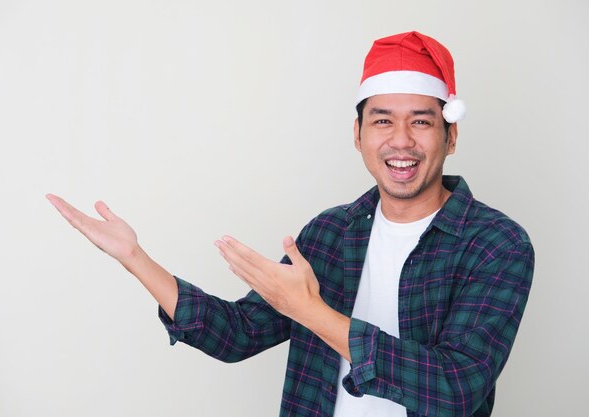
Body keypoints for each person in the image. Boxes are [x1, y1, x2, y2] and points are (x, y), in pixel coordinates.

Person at [47, 31, 534, 417]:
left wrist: (309, 310)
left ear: (450, 136)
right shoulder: (330, 233)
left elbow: (455, 387)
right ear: (358, 134)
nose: (401, 141)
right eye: (383, 120)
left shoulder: (496, 244)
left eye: (421, 122)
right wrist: (136, 259)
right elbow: (237, 333)